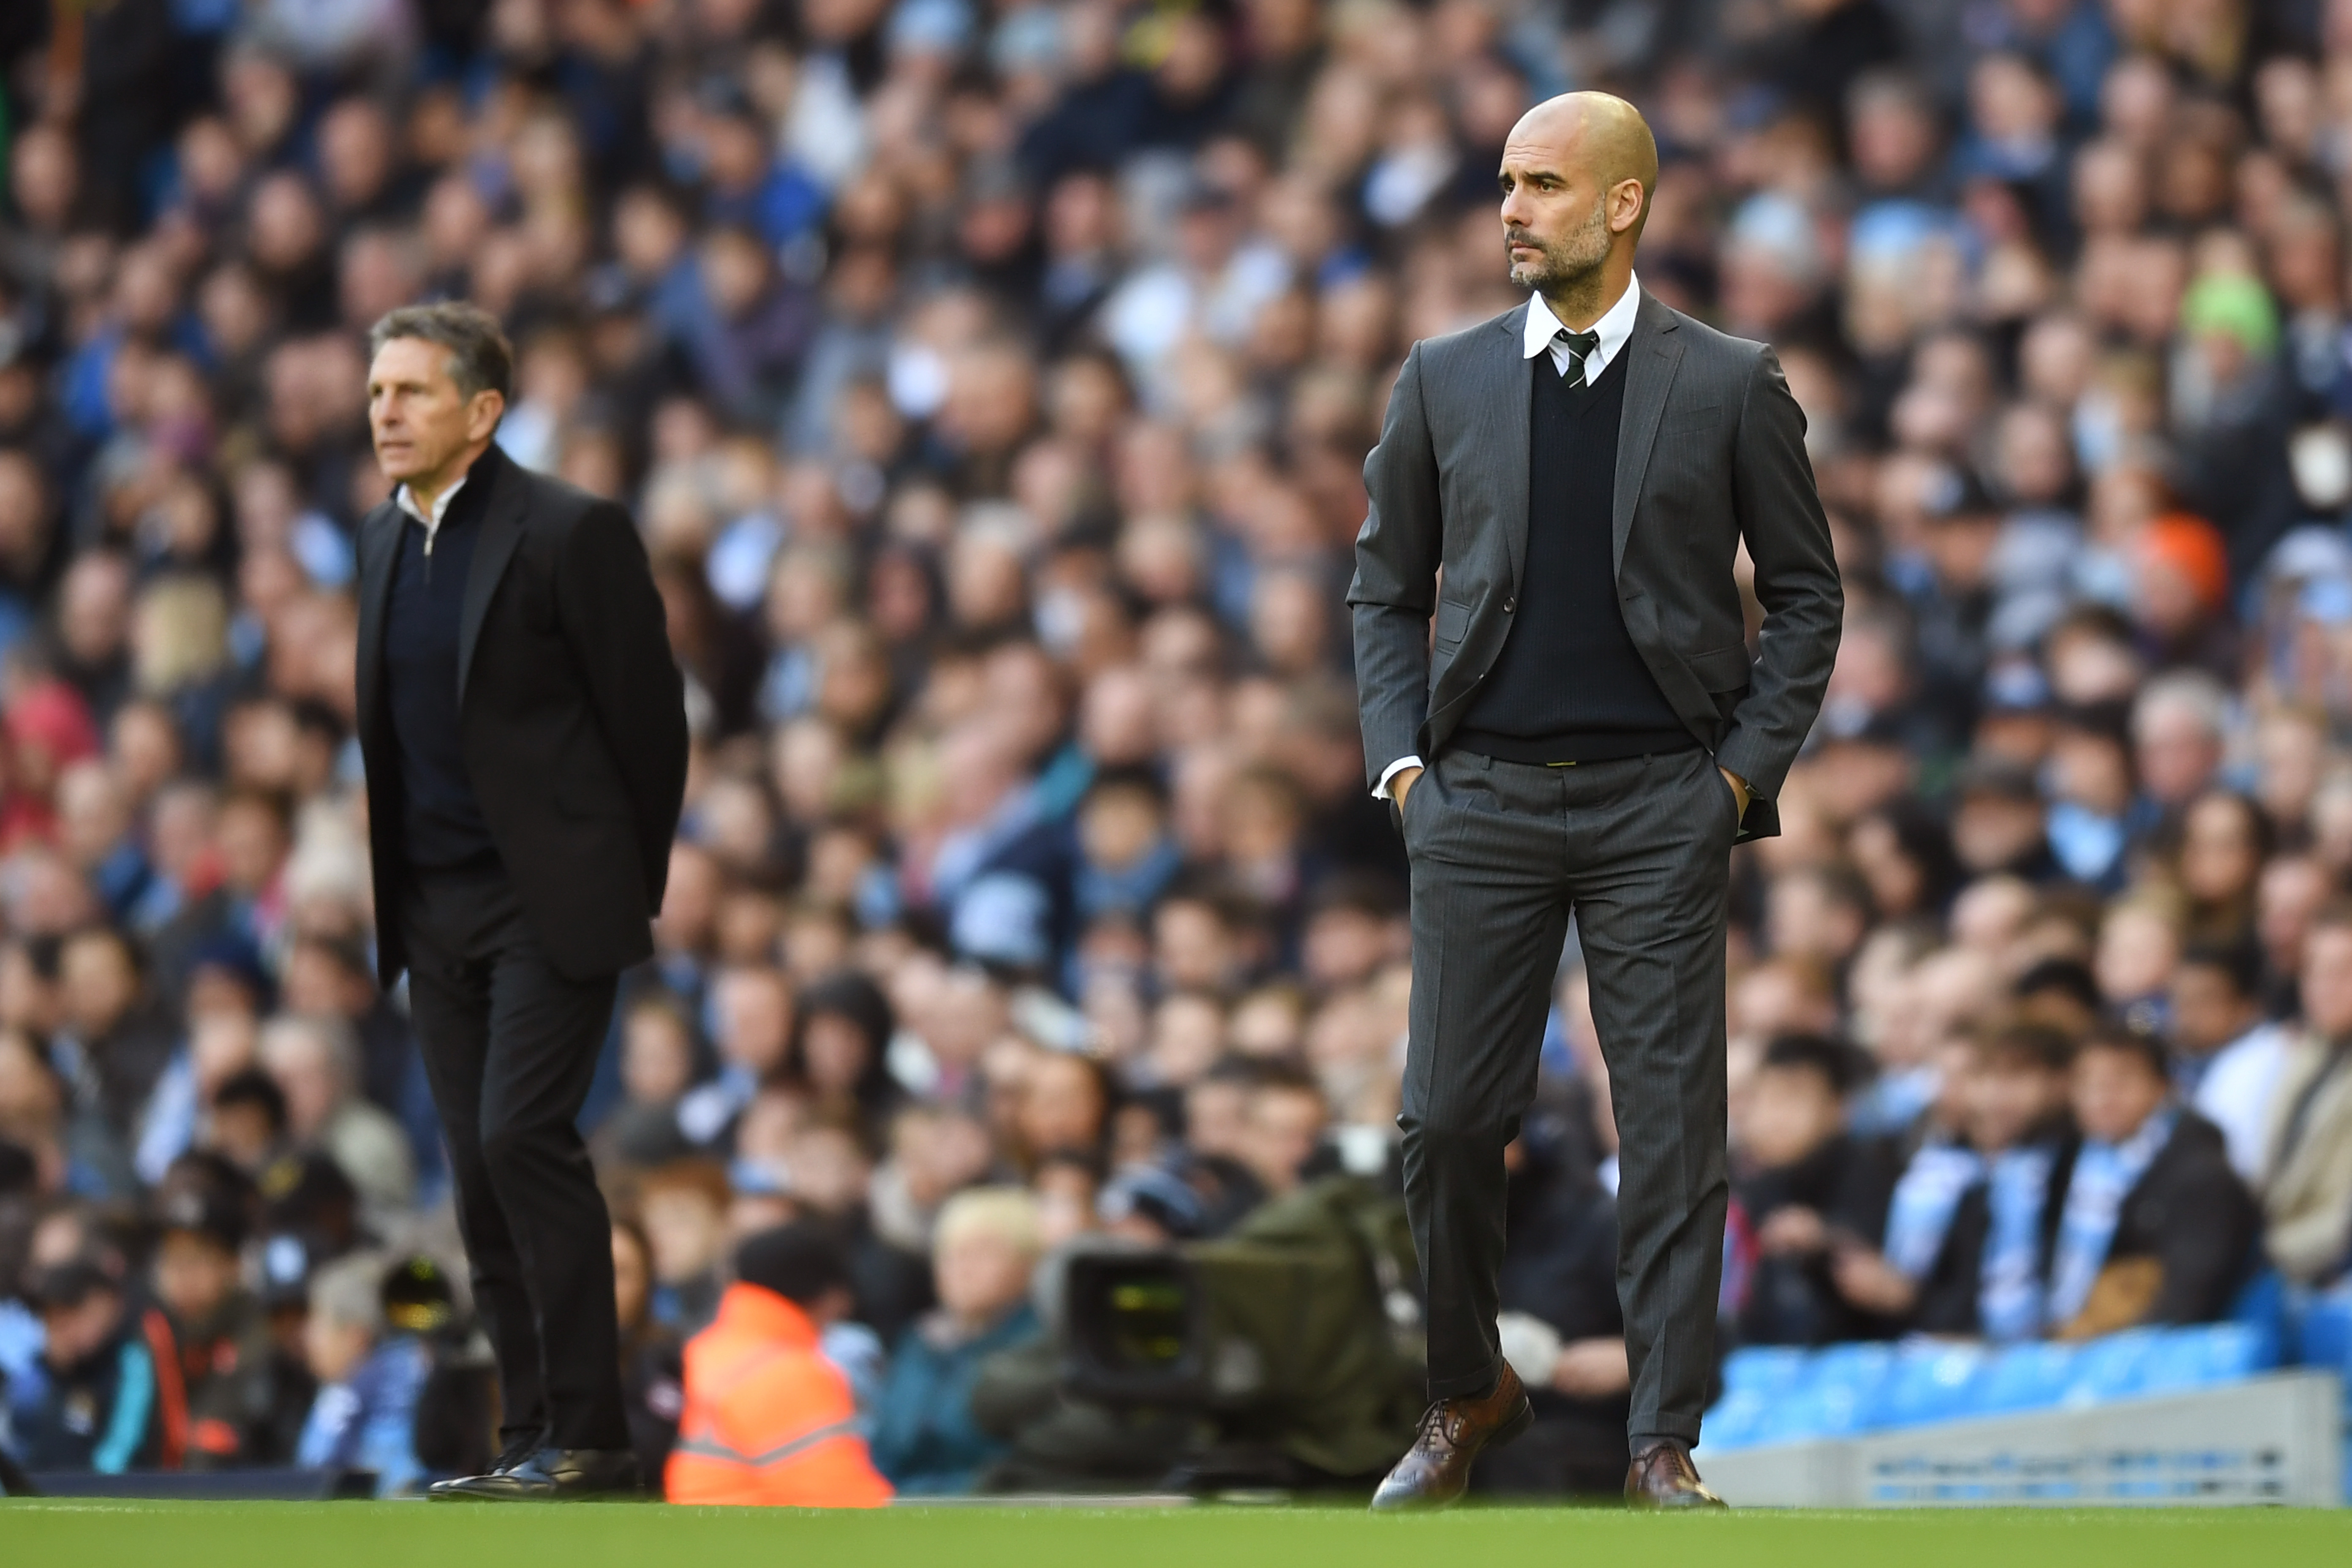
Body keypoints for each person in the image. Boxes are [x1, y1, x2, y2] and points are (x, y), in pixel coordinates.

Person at [1348, 91, 1840, 1510]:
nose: (1509, 207)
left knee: (1671, 1129)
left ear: (1622, 204)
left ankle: (1658, 1441)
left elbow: (1805, 597)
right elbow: (1382, 587)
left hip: (1656, 805)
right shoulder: (1440, 378)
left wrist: (1738, 778)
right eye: (1504, 182)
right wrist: (1401, 768)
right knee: (1442, 1122)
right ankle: (1462, 1393)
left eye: (1542, 184)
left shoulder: (1730, 380)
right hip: (1477, 799)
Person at [353, 301, 689, 1501]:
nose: (385, 411)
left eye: (413, 393)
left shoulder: (571, 530)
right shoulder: (381, 544)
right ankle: (528, 1435)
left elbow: (651, 728)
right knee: (476, 1171)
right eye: (379, 390)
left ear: (483, 412)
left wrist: (608, 883)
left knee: (521, 1138)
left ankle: (592, 1436)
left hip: (548, 905)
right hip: (434, 908)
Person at [664, 1222, 893, 1507]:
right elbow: (845, 1505)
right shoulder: (791, 1376)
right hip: (753, 1546)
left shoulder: (701, 1351)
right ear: (830, 1297)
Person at [2045, 1027, 2256, 1337]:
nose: (2103, 1096)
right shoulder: (2066, 1166)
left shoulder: (2203, 1175)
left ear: (2163, 1087)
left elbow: (2187, 1302)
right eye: (2088, 1084)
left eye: (2121, 1081)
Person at [869, 1187, 1045, 1494]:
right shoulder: (919, 1343)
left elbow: (1018, 1468)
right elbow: (884, 1447)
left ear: (1028, 1266)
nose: (963, 1268)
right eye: (952, 1253)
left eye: (984, 1252)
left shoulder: (1041, 1348)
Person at [2259, 901, 2352, 1287]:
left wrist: (2261, 1256)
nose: (2323, 986)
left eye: (2343, 972)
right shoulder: (2307, 1054)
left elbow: (2342, 1228)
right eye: (2313, 970)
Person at [12, 1252, 165, 1473]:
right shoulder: (39, 1370)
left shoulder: (130, 1362)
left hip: (105, 1497)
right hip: (40, 1494)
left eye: (67, 1319)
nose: (58, 1332)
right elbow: (22, 1444)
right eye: (50, 1321)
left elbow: (121, 1450)